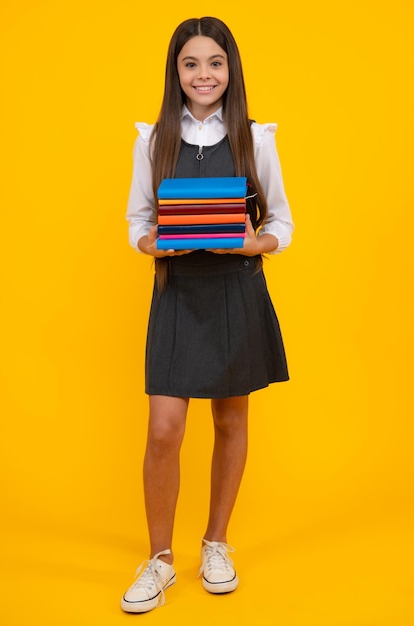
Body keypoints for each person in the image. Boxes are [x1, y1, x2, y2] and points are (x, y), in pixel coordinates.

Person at [121, 16, 293, 613]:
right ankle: (160, 560)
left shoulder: (255, 138)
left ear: (230, 70)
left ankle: (216, 543)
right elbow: (138, 225)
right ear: (176, 72)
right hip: (177, 292)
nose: (203, 74)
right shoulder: (153, 140)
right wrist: (154, 245)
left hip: (233, 291)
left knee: (229, 422)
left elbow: (283, 228)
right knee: (165, 429)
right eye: (191, 64)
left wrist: (251, 243)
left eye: (214, 63)